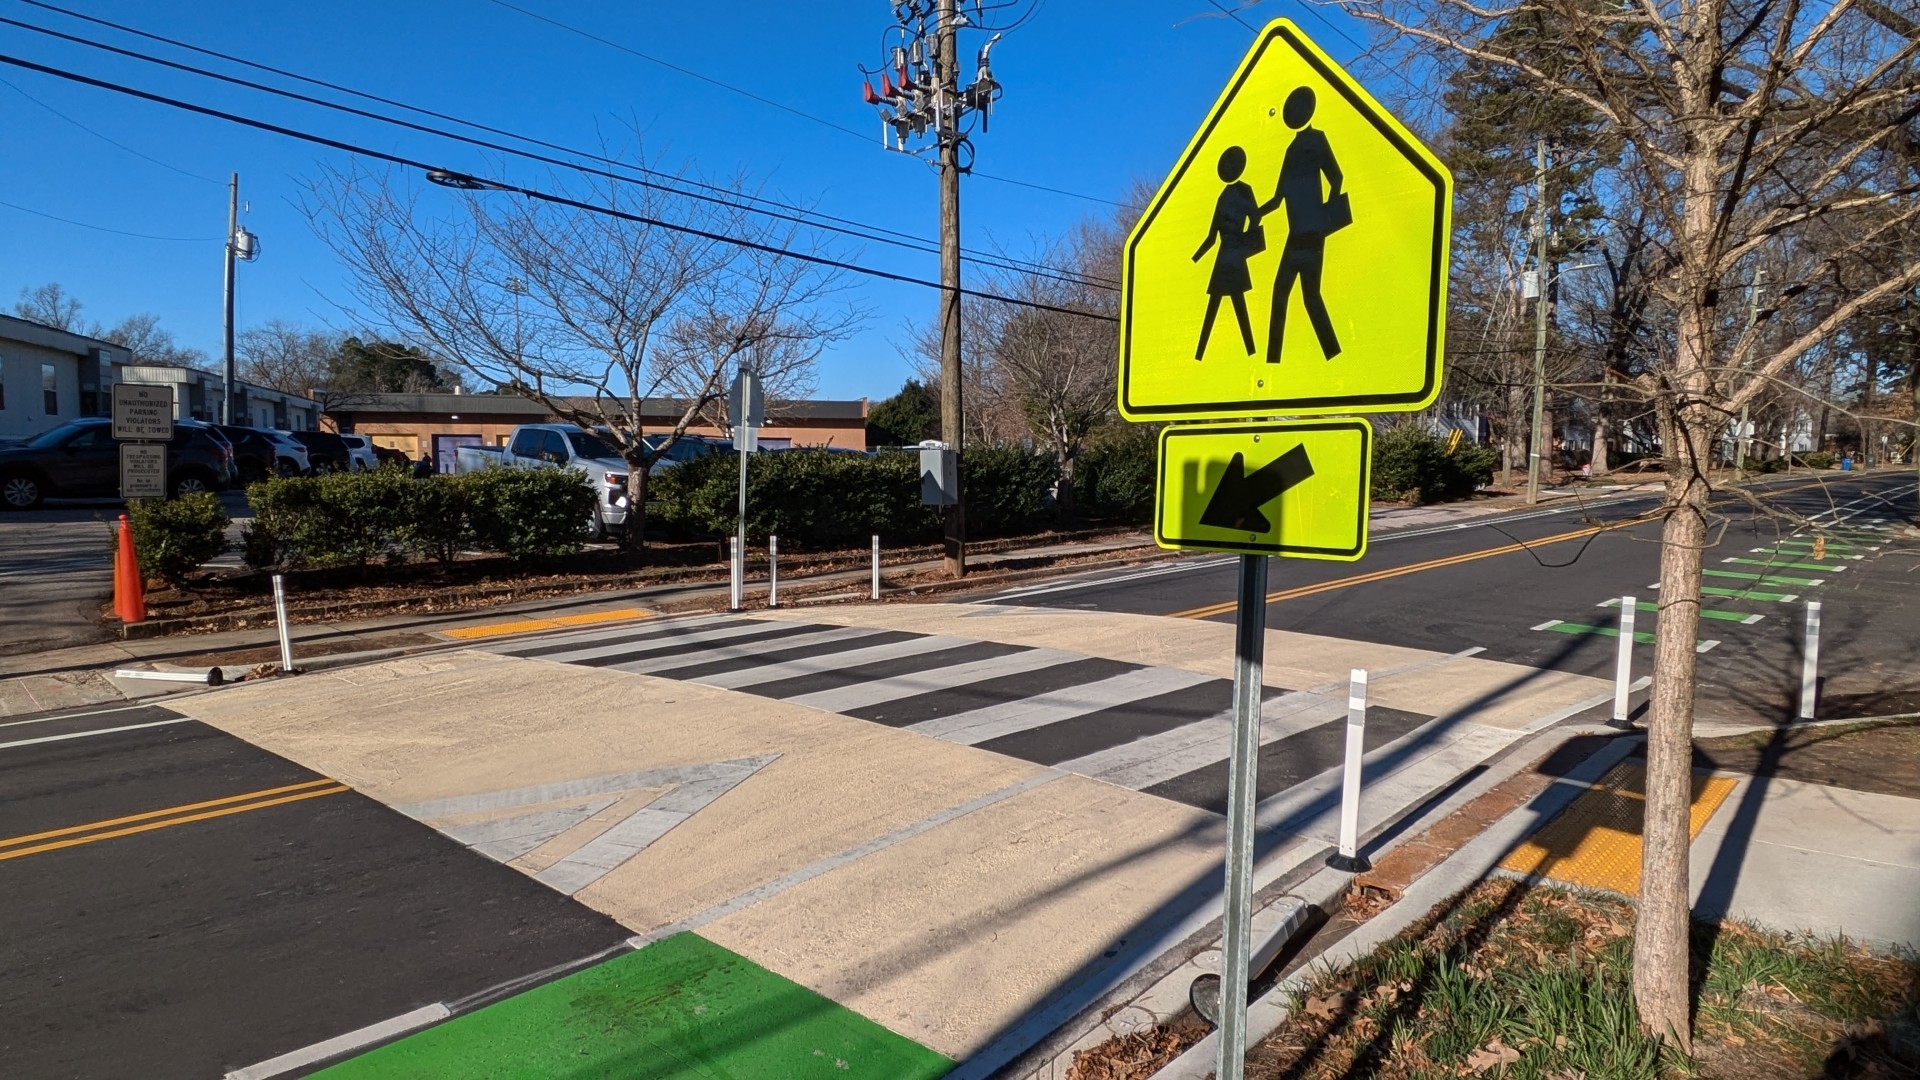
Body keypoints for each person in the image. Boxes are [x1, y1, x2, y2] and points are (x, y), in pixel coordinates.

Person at [1259, 86, 1347, 363]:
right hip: (1294, 235)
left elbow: (1336, 177)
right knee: (1281, 292)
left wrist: (1325, 216)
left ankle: (1333, 354)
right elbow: (1279, 196)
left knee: (1310, 295)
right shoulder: (1291, 149)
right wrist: (1257, 212)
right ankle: (1274, 358)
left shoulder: (1317, 139)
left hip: (1312, 234)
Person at [1191, 145, 1262, 360]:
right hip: (1225, 258)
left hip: (1233, 255)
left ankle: (1251, 351)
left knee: (1238, 306)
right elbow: (1212, 236)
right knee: (1216, 306)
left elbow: (1255, 217)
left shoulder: (1244, 190)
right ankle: (1200, 354)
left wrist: (1246, 239)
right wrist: (1194, 258)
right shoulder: (1223, 197)